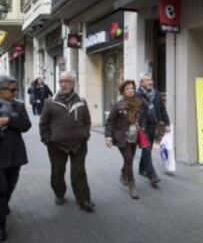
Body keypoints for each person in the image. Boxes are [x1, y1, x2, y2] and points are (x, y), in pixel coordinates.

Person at [39, 72, 94, 212]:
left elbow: (87, 121)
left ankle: (84, 200)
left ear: (73, 83)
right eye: (61, 81)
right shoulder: (50, 102)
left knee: (79, 172)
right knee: (57, 172)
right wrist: (47, 140)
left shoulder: (81, 101)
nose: (63, 84)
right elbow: (43, 124)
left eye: (67, 81)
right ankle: (59, 193)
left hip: (79, 144)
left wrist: (85, 134)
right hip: (56, 145)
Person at [0, 75, 31, 242]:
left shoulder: (18, 106)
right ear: (1, 90)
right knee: (1, 190)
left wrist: (8, 120)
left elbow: (26, 125)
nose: (15, 92)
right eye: (11, 90)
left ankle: (4, 205)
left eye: (16, 89)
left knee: (10, 186)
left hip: (14, 154)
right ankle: (1, 225)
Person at [105, 80, 148, 199]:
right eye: (127, 89)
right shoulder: (118, 105)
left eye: (132, 88)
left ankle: (124, 172)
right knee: (128, 158)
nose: (130, 90)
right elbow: (110, 121)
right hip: (121, 137)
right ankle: (132, 185)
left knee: (130, 158)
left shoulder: (139, 103)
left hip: (134, 136)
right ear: (123, 92)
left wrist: (142, 125)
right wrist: (108, 136)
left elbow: (143, 116)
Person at [136, 73, 171, 186]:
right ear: (141, 83)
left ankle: (142, 169)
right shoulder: (137, 95)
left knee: (148, 149)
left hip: (152, 126)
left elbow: (162, 108)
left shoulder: (156, 93)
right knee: (146, 149)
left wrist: (167, 123)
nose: (150, 82)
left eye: (150, 79)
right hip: (142, 127)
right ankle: (152, 175)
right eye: (146, 80)